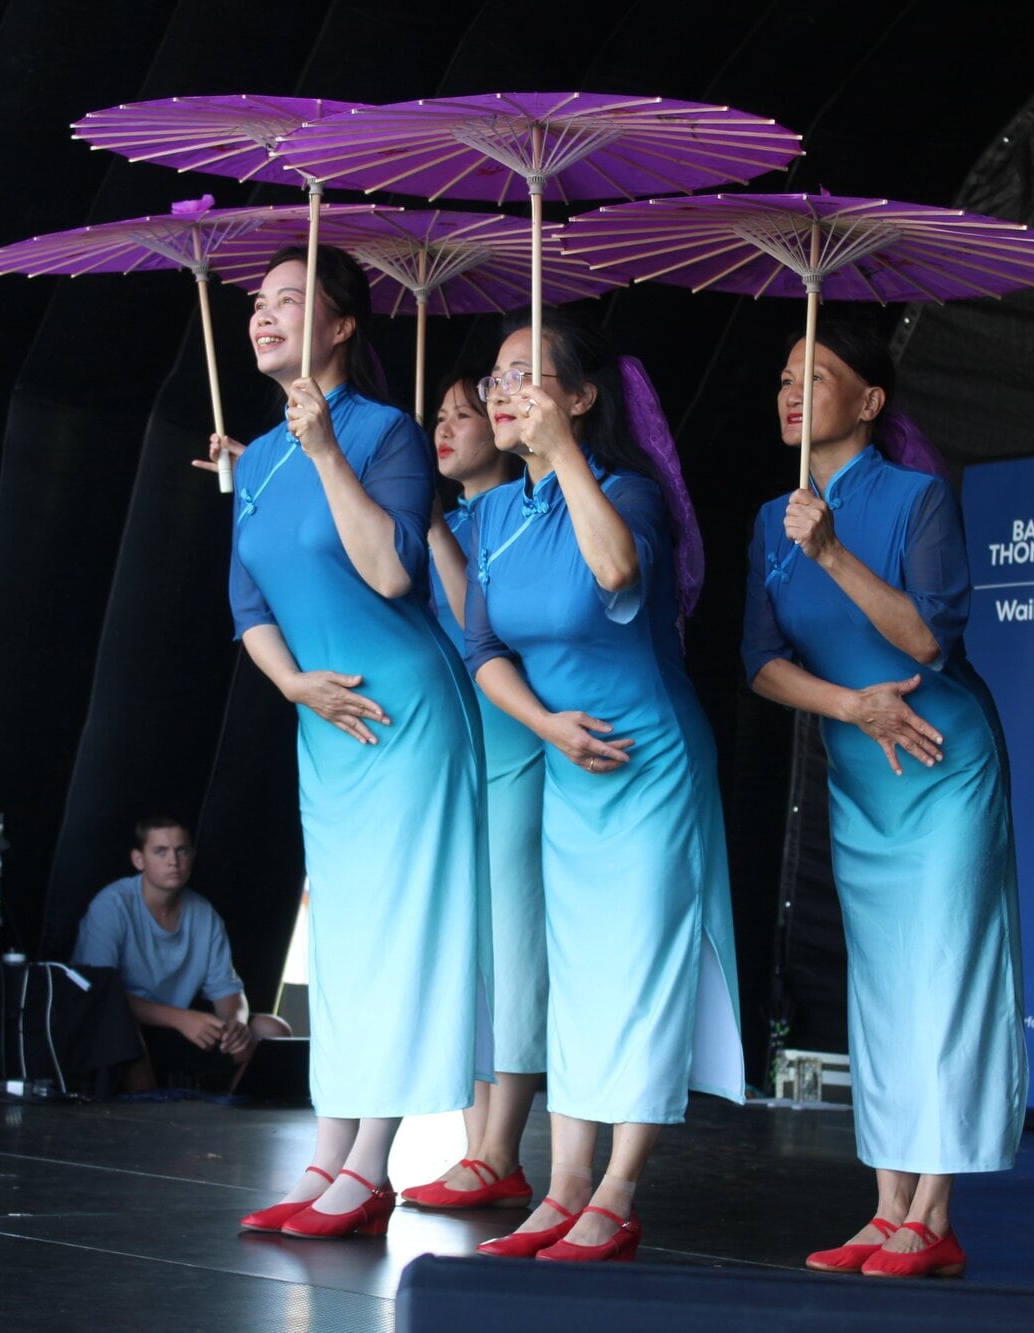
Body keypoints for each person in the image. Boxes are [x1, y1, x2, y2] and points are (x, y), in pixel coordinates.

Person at [214, 244, 487, 1241]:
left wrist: (327, 451)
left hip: (404, 714)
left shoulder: (383, 435)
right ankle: (328, 1154)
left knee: (399, 936)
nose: (262, 314)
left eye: (289, 300)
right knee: (346, 946)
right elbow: (246, 600)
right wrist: (292, 685)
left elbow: (390, 574)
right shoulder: (253, 458)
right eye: (255, 301)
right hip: (320, 721)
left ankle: (369, 1165)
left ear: (339, 326)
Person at [743, 319, 1025, 1280]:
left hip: (944, 766)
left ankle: (933, 1215)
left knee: (942, 977)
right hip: (865, 771)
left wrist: (831, 555)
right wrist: (849, 708)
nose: (790, 392)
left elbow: (925, 642)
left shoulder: (917, 500)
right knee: (883, 989)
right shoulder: (769, 520)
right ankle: (886, 1205)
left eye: (814, 376)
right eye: (783, 377)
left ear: (869, 402)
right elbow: (760, 665)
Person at [463, 308, 744, 1263]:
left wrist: (564, 456)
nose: (504, 393)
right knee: (576, 981)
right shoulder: (493, 513)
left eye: (527, 377)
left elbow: (617, 572)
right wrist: (544, 727)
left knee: (638, 971)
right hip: (567, 762)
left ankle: (617, 1190)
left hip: (649, 761)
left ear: (580, 398)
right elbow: (483, 649)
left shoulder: (629, 494)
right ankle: (561, 1188)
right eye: (497, 377)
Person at [400, 368, 548, 1213]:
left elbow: (477, 626)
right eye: (442, 416)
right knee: (468, 950)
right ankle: (475, 1147)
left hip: (514, 742)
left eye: (467, 412)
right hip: (448, 752)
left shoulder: (508, 517)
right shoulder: (446, 518)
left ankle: (500, 1150)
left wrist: (435, 533)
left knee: (514, 947)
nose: (451, 427)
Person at [71, 814, 288, 1092]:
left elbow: (228, 993)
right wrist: (181, 1019)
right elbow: (99, 995)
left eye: (181, 850)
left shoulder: (204, 914)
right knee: (122, 1028)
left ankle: (229, 1116)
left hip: (183, 1028)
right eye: (160, 852)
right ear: (139, 859)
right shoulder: (111, 906)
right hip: (128, 1029)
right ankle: (150, 1119)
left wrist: (236, 1023)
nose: (173, 861)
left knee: (273, 1030)